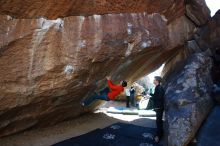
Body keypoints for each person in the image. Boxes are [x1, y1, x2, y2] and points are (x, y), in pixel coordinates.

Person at [150, 76, 165, 143]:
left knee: (158, 121)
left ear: (157, 81)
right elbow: (156, 96)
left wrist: (150, 97)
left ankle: (158, 136)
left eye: (154, 80)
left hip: (159, 107)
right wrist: (150, 95)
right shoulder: (158, 87)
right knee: (158, 121)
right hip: (158, 107)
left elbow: (158, 98)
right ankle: (160, 133)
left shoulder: (159, 87)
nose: (153, 81)